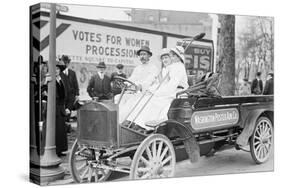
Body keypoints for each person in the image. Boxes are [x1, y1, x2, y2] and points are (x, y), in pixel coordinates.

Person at [121, 46, 188, 130]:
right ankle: (133, 121)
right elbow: (162, 84)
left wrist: (156, 92)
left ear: (179, 57)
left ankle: (143, 125)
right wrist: (151, 90)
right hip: (169, 92)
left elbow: (171, 86)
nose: (168, 59)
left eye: (172, 56)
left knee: (153, 102)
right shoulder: (170, 68)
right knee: (144, 100)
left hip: (177, 93)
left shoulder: (179, 67)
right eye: (163, 58)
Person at [118, 46, 159, 123]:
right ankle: (118, 120)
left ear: (149, 56)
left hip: (147, 93)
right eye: (140, 55)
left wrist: (140, 86)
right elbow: (132, 78)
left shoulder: (153, 68)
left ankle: (127, 122)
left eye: (144, 54)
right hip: (136, 92)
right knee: (119, 98)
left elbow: (150, 80)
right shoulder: (138, 68)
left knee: (131, 102)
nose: (142, 56)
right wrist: (125, 84)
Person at [55, 61, 70, 157]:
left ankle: (60, 149)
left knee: (61, 129)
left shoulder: (60, 79)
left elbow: (64, 93)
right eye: (55, 69)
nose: (56, 71)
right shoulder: (51, 80)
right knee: (55, 129)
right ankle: (55, 150)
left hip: (61, 107)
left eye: (57, 69)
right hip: (54, 107)